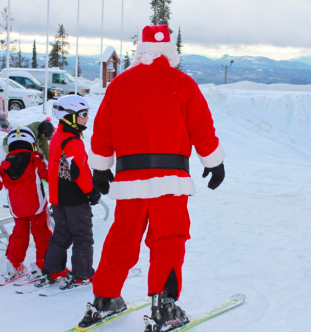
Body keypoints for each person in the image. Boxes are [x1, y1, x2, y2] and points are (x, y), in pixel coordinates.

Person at [78, 25, 225, 332]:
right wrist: (213, 162)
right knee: (168, 240)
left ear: (140, 51)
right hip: (170, 181)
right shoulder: (182, 83)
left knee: (122, 238)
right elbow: (201, 125)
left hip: (129, 181)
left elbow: (102, 129)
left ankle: (104, 299)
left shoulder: (120, 84)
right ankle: (164, 307)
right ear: (170, 52)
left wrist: (101, 167)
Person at [35, 95, 101, 289]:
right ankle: (82, 274)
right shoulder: (73, 141)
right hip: (74, 198)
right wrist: (90, 192)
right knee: (82, 236)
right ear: (70, 116)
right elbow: (77, 171)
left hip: (58, 196)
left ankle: (53, 270)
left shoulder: (58, 136)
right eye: (83, 114)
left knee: (62, 234)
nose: (87, 118)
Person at [0, 126, 52, 281]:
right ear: (31, 143)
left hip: (17, 209)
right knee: (42, 234)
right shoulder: (35, 158)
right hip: (36, 206)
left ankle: (14, 264)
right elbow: (49, 174)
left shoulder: (5, 165)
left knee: (19, 235)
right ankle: (43, 264)